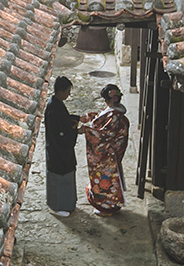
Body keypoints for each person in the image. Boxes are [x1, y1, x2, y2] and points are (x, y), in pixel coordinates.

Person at [80, 83, 129, 216]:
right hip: (111, 150)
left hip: (108, 153)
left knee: (106, 178)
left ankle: (107, 206)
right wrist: (94, 118)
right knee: (110, 178)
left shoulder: (115, 115)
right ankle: (109, 203)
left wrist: (87, 130)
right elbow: (103, 125)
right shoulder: (115, 112)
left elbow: (103, 135)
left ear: (108, 99)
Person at [44, 76, 80, 216]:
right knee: (60, 179)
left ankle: (65, 204)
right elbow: (61, 132)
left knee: (65, 179)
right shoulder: (53, 108)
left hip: (59, 148)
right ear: (61, 91)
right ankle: (59, 207)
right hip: (58, 149)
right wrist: (77, 131)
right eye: (68, 91)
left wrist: (77, 119)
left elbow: (64, 121)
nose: (68, 94)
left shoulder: (56, 103)